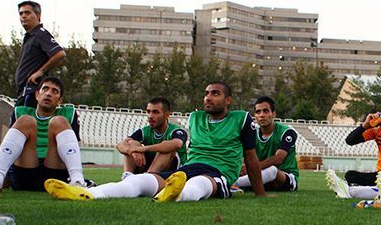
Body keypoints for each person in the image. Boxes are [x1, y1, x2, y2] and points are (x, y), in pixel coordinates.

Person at [44, 81, 268, 202]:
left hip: (218, 172)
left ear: (228, 100)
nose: (208, 97)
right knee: (141, 182)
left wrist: (260, 194)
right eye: (206, 93)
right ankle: (88, 194)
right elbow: (124, 144)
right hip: (186, 170)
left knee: (198, 185)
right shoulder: (195, 117)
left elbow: (250, 157)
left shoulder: (241, 118)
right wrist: (134, 150)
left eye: (215, 93)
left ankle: (175, 196)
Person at [0, 77, 85, 197]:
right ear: (37, 95)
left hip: (55, 173)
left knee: (59, 121)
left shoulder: (68, 114)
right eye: (45, 89)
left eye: (54, 91)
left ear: (60, 100)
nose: (48, 93)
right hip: (26, 171)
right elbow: (11, 147)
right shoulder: (21, 112)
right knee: (26, 121)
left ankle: (78, 182)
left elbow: (73, 147)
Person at [234, 96, 299, 192]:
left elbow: (278, 159)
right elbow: (246, 158)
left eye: (265, 111)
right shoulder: (252, 134)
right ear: (255, 116)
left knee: (272, 170)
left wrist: (252, 169)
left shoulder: (287, 132)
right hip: (262, 177)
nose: (262, 115)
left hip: (284, 177)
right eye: (258, 112)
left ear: (273, 114)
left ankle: (233, 184)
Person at [116, 97, 188, 180]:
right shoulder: (145, 131)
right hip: (149, 169)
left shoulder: (176, 131)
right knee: (132, 143)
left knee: (166, 148)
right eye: (148, 111)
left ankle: (148, 179)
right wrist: (132, 151)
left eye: (155, 112)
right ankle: (127, 177)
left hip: (172, 174)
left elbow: (177, 144)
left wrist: (143, 149)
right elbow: (120, 145)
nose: (150, 116)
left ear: (167, 115)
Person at [14, 1, 66, 108]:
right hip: (24, 91)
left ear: (38, 16)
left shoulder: (40, 33)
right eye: (21, 13)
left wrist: (40, 72)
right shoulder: (29, 37)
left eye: (27, 13)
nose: (23, 16)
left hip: (32, 91)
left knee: (23, 123)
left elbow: (59, 53)